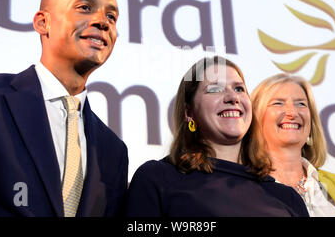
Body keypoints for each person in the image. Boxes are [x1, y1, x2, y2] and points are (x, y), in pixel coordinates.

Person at [0, 0, 128, 217]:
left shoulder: (113, 150)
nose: (102, 22)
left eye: (111, 17)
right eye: (85, 8)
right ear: (43, 23)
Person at [124, 56, 308, 216]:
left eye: (239, 89)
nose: (232, 97)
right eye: (214, 89)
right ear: (189, 112)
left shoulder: (287, 198)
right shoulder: (157, 178)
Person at [248, 73, 335, 217]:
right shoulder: (239, 188)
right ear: (255, 118)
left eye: (301, 104)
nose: (292, 113)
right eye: (278, 103)